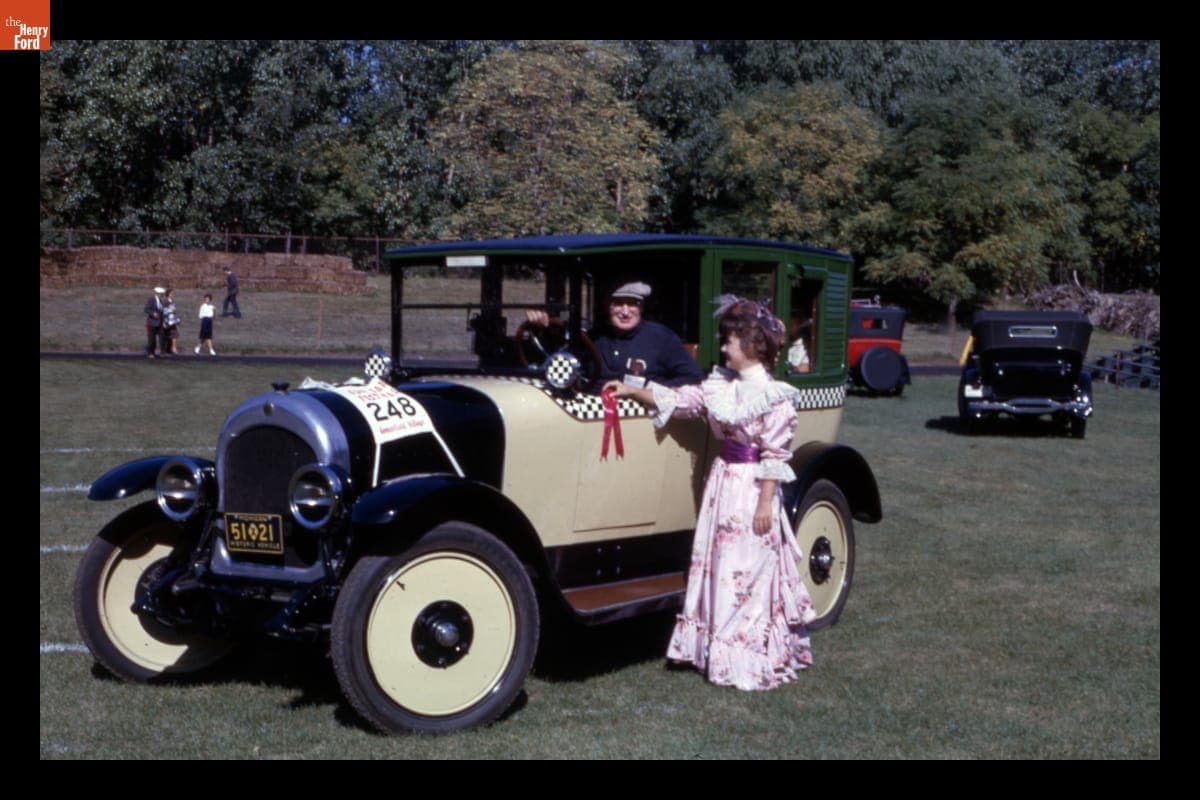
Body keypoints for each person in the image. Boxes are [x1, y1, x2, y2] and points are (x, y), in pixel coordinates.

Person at [604, 296, 816, 690]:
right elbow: (681, 400)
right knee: (720, 564)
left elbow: (774, 453)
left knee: (748, 566)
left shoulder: (776, 396)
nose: (723, 348)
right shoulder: (720, 386)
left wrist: (767, 502)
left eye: (730, 342)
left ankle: (747, 652)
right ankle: (714, 650)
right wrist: (634, 390)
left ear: (752, 347)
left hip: (752, 487)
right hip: (723, 483)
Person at [526, 281, 703, 390]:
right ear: (607, 307)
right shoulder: (594, 336)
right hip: (590, 412)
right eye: (617, 304)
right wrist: (543, 330)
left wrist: (646, 391)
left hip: (638, 417)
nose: (625, 312)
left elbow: (693, 376)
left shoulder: (661, 337)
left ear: (641, 308)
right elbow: (562, 363)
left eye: (633, 304)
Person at [143, 286, 165, 358]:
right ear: (156, 293)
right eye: (160, 294)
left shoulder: (161, 301)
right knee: (152, 339)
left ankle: (162, 352)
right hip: (152, 323)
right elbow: (146, 309)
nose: (161, 295)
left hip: (160, 322)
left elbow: (162, 312)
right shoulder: (151, 300)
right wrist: (153, 313)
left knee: (162, 337)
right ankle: (150, 352)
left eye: (162, 294)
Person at [160, 287, 180, 355]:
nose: (173, 295)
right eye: (171, 293)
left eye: (173, 293)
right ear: (168, 294)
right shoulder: (165, 302)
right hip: (166, 320)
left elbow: (174, 311)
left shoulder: (173, 302)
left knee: (174, 334)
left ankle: (173, 348)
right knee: (166, 336)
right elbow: (163, 311)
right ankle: (165, 350)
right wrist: (163, 322)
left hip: (172, 320)